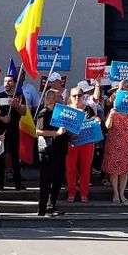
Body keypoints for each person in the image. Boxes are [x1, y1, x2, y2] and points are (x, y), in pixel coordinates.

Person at [35, 88, 70, 216]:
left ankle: (52, 205)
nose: (62, 99)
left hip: (61, 150)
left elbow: (64, 131)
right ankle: (42, 208)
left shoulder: (60, 114)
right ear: (52, 98)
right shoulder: (44, 113)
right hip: (48, 152)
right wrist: (56, 133)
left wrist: (70, 136)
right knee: (46, 180)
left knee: (58, 180)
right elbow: (38, 131)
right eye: (60, 97)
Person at [63, 83, 99, 203]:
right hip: (71, 143)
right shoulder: (66, 110)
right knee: (71, 169)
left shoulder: (88, 109)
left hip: (87, 142)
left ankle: (84, 193)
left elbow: (95, 119)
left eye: (79, 95)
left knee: (85, 169)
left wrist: (96, 120)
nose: (77, 97)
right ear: (70, 97)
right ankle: (71, 193)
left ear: (83, 96)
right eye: (74, 95)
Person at [0, 75, 26, 191]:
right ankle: (0, 183)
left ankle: (17, 182)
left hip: (14, 128)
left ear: (14, 83)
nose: (7, 83)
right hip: (1, 129)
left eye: (9, 81)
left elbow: (24, 112)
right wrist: (1, 118)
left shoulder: (20, 97)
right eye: (5, 81)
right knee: (0, 155)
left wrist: (16, 105)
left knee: (15, 156)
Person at [102, 91, 128, 204]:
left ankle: (122, 193)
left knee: (124, 171)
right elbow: (107, 126)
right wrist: (111, 115)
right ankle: (115, 194)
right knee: (114, 171)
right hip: (113, 144)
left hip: (126, 145)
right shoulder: (113, 111)